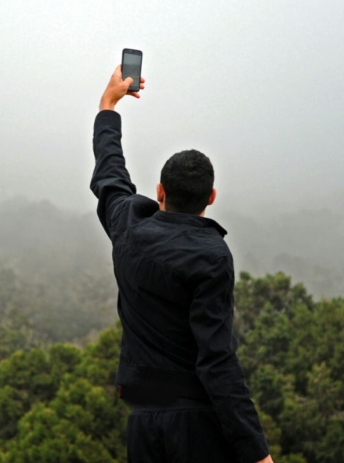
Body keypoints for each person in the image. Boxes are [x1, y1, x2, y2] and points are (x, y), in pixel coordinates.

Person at [90, 65, 273, 463]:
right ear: (211, 197)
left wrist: (108, 106)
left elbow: (110, 175)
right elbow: (217, 358)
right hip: (196, 428)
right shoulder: (212, 257)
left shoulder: (128, 229)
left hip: (142, 425)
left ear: (159, 192)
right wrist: (257, 453)